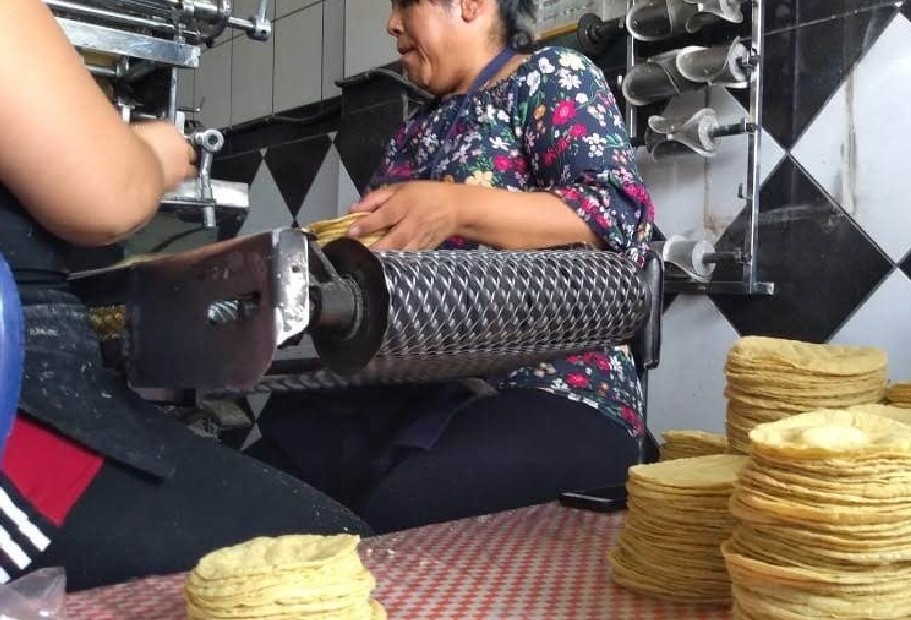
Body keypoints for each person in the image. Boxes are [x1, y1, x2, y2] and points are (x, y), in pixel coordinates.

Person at [0, 0, 371, 591]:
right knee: (342, 558)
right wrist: (149, 150)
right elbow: (106, 195)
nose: (395, 24)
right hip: (17, 429)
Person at [246, 0, 657, 532]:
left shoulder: (551, 77)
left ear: (470, 4)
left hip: (552, 387)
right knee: (267, 485)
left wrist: (456, 207)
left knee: (403, 512)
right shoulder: (415, 131)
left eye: (404, 5)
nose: (391, 23)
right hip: (408, 386)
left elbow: (618, 213)